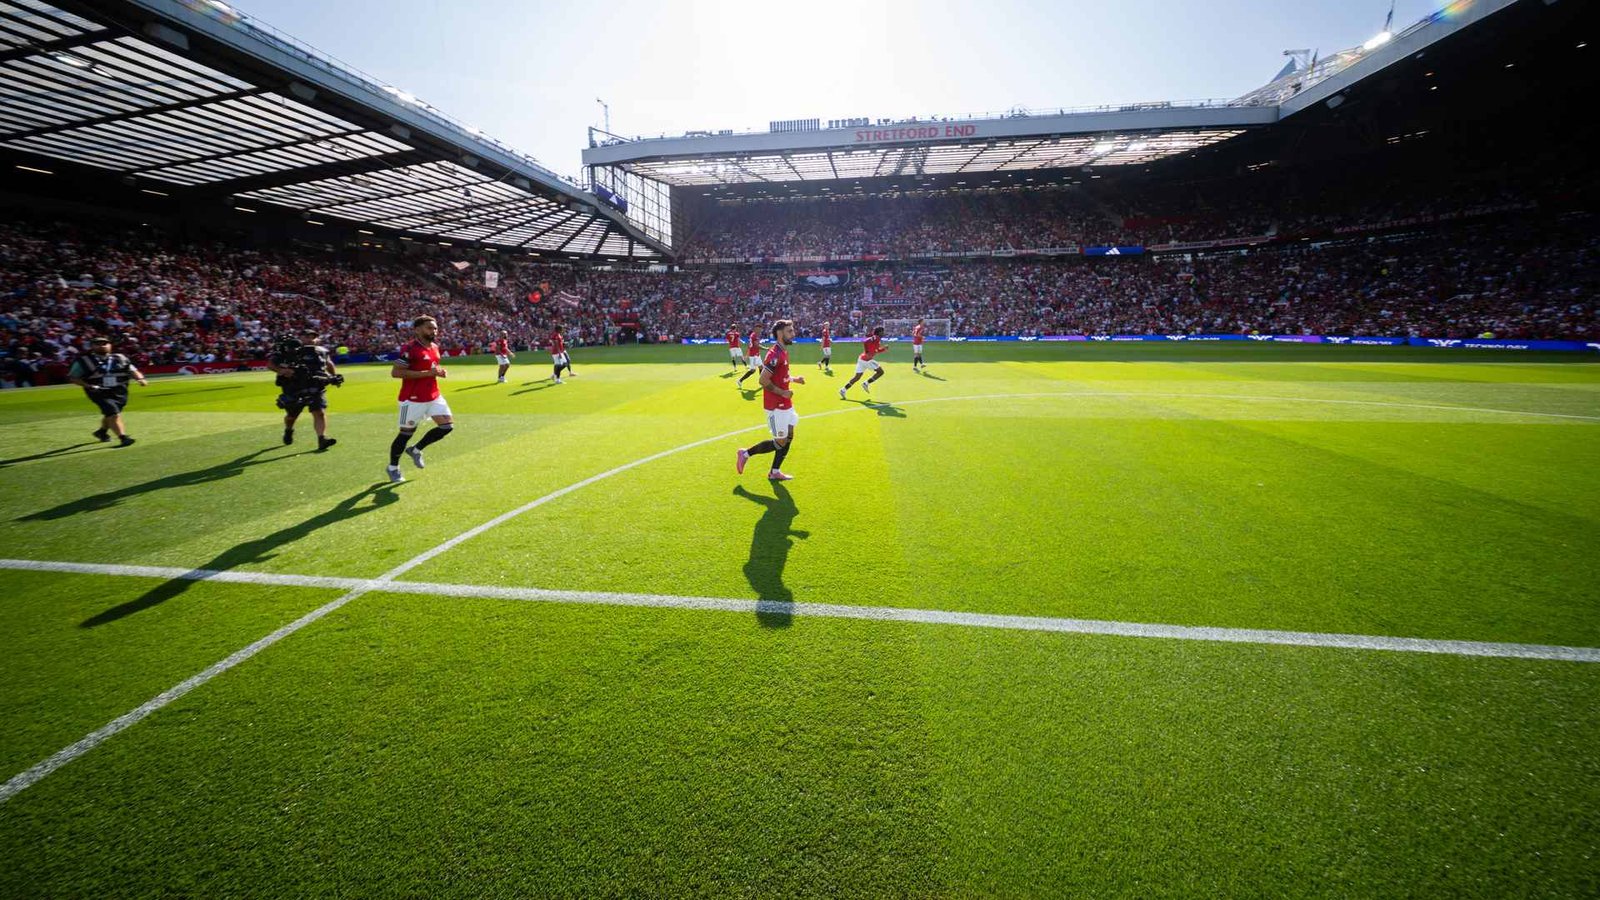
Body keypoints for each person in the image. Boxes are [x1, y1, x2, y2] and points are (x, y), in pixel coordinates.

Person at [387, 315, 453, 484]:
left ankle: (416, 450)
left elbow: (431, 367)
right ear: (417, 330)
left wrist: (439, 372)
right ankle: (393, 468)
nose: (434, 331)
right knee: (405, 434)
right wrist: (428, 374)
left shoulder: (435, 347)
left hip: (433, 395)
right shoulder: (409, 348)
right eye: (430, 328)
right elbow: (396, 373)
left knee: (446, 426)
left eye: (435, 328)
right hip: (411, 399)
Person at [736, 318, 804, 482]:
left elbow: (781, 376)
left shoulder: (783, 351)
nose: (793, 334)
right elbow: (763, 380)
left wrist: (794, 379)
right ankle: (745, 454)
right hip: (776, 406)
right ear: (780, 333)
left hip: (786, 404)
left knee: (789, 436)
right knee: (780, 442)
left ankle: (774, 471)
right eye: (790, 331)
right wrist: (782, 392)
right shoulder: (774, 354)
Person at [68, 336, 145, 447]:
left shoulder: (120, 357)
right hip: (98, 391)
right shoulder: (84, 361)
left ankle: (102, 432)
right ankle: (123, 438)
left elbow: (132, 370)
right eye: (98, 343)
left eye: (104, 343)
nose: (102, 345)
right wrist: (88, 385)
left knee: (111, 413)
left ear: (110, 345)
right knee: (113, 413)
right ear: (92, 346)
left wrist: (140, 379)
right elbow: (73, 377)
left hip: (120, 391)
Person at [270, 329, 339, 451]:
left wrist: (333, 376)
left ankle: (322, 438)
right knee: (291, 416)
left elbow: (328, 363)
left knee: (319, 412)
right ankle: (289, 429)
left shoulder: (321, 351)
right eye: (306, 336)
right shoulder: (289, 349)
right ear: (300, 337)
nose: (309, 338)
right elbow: (271, 364)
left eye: (312, 336)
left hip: (315, 386)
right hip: (294, 387)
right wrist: (281, 371)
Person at [839, 325, 887, 398]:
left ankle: (843, 390)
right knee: (880, 372)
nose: (883, 333)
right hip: (867, 360)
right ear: (879, 332)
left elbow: (875, 350)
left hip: (862, 359)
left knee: (857, 377)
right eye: (883, 332)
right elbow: (866, 341)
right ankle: (866, 383)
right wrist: (867, 351)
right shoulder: (876, 338)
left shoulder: (877, 339)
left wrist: (883, 349)